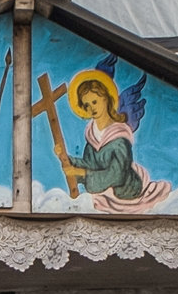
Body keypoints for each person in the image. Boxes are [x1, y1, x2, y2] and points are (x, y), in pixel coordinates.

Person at [64, 68, 170, 212]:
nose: (91, 108)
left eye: (94, 102)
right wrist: (67, 160)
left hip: (126, 191)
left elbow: (118, 173)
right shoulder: (92, 137)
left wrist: (82, 174)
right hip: (104, 193)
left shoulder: (119, 137)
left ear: (106, 98)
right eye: (86, 105)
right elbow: (90, 164)